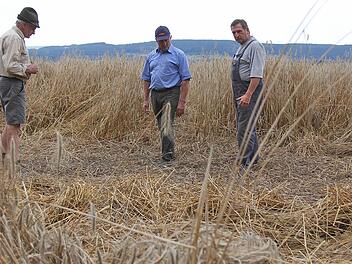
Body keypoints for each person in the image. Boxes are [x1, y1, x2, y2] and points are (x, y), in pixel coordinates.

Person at [142, 26, 191, 162]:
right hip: (155, 94)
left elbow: (186, 79)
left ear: (170, 38)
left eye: (165, 40)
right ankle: (168, 150)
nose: (163, 43)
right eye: (160, 41)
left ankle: (167, 157)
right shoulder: (151, 56)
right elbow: (146, 78)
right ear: (156, 40)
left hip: (172, 93)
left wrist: (182, 102)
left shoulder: (179, 55)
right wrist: (145, 100)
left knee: (166, 123)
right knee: (161, 125)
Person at [0, 7, 40, 164]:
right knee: (15, 124)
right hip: (12, 83)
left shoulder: (10, 36)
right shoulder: (15, 38)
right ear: (24, 24)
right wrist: (28, 69)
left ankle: (3, 157)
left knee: (11, 121)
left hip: (8, 82)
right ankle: (12, 164)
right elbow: (10, 65)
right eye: (33, 27)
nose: (34, 32)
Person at [230, 19, 266, 168]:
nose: (236, 35)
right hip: (240, 90)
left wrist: (248, 94)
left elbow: (257, 74)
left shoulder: (255, 46)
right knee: (248, 125)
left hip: (249, 90)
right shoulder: (242, 47)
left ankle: (245, 162)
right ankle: (253, 158)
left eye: (239, 31)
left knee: (244, 129)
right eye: (233, 32)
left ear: (247, 30)